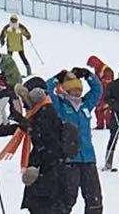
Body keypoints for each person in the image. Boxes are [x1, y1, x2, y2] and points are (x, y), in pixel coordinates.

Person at [0, 83, 69, 214]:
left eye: (25, 100)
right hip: (46, 166)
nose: (24, 105)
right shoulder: (39, 112)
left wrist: (25, 123)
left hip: (48, 167)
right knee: (41, 203)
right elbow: (22, 129)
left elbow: (42, 135)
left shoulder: (46, 112)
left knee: (44, 204)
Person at [46, 66, 104, 212]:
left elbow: (98, 90)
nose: (77, 92)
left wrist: (88, 75)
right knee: (67, 198)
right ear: (67, 90)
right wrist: (57, 79)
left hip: (88, 158)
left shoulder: (86, 105)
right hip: (69, 159)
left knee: (94, 198)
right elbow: (47, 89)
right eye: (73, 89)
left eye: (79, 89)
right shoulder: (60, 106)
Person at [87, 56, 114, 130]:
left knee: (105, 109)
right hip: (100, 93)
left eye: (92, 65)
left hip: (106, 93)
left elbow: (108, 84)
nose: (92, 67)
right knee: (98, 110)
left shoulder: (106, 70)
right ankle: (100, 125)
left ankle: (109, 125)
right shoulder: (97, 69)